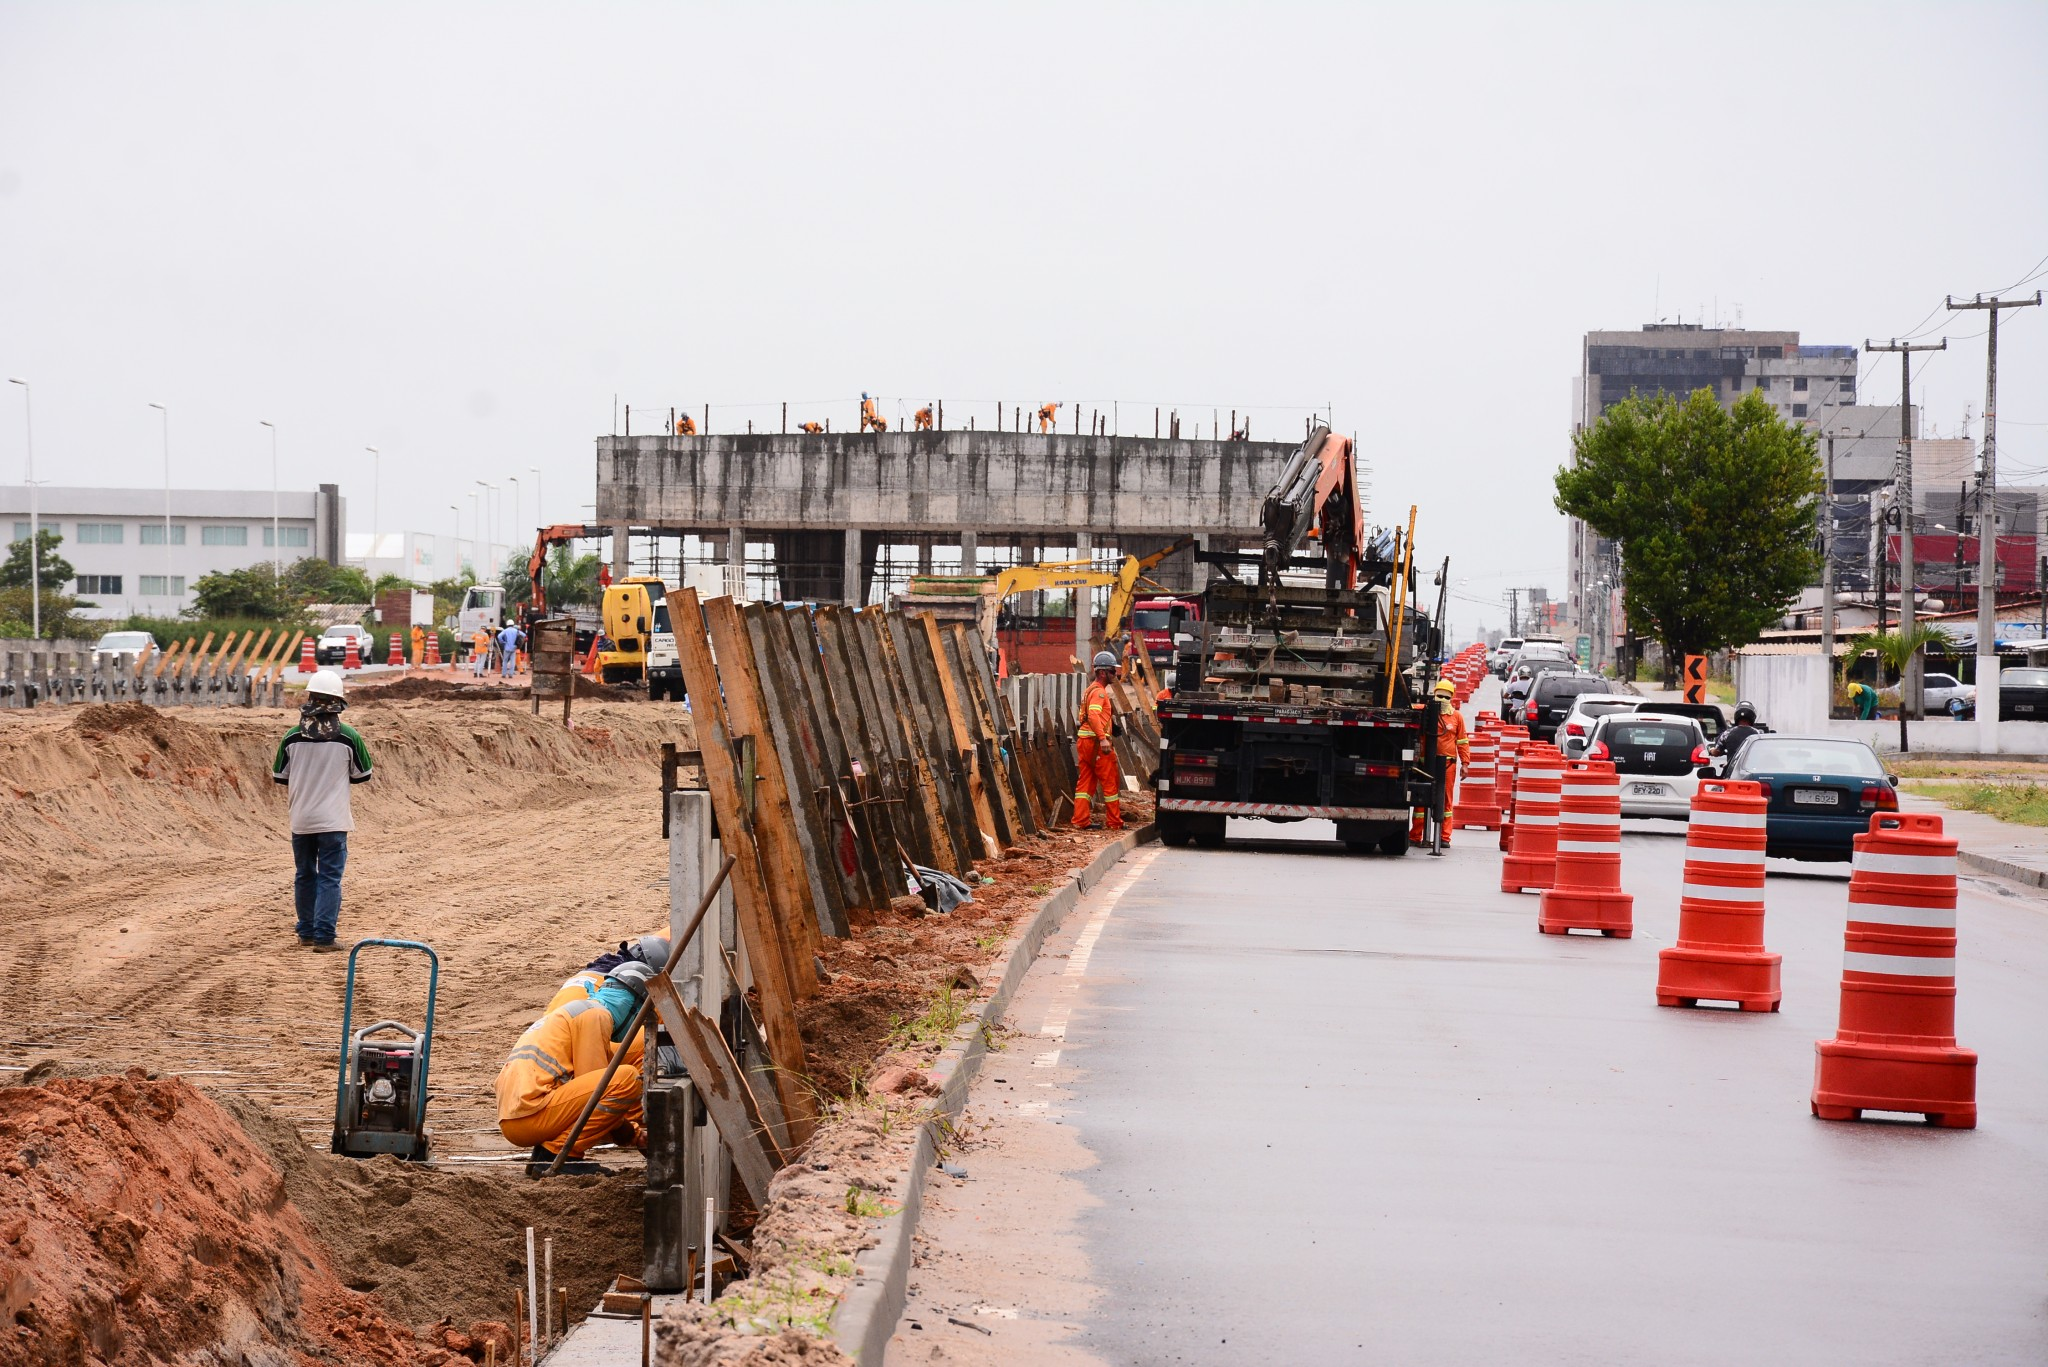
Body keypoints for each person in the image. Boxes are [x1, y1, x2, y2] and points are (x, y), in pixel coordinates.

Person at [496, 962, 649, 1163]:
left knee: (615, 1068)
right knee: (627, 1079)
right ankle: (563, 1154)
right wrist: (633, 1134)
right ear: (632, 1007)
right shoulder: (596, 1015)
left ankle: (545, 1154)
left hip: (515, 1117)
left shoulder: (576, 1011)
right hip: (530, 1117)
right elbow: (598, 1093)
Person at [271, 670, 373, 950]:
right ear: (338, 702)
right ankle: (324, 937)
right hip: (334, 821)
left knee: (304, 875)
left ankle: (306, 933)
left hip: (301, 820)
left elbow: (280, 776)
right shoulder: (349, 737)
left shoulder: (291, 737)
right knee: (329, 877)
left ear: (310, 699)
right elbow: (363, 774)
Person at [1411, 678, 1470, 846]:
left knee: (1446, 802)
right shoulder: (1426, 713)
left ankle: (1444, 837)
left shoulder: (1456, 717)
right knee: (1421, 801)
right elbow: (1410, 709)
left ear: (1451, 698)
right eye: (1439, 696)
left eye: (1446, 697)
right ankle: (1415, 835)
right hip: (1425, 766)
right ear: (1434, 695)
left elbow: (1463, 742)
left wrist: (1465, 764)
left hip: (1447, 766)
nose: (1442, 700)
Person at [1072, 650, 1124, 831]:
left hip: (1085, 742)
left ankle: (1080, 820)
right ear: (1102, 672)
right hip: (1096, 744)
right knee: (1110, 782)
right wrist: (1103, 739)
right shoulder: (1099, 693)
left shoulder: (1090, 690)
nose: (1114, 675)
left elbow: (1092, 716)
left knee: (1085, 782)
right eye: (1112, 671)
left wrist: (1110, 727)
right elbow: (1093, 715)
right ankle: (1114, 822)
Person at [1711, 700, 1763, 770]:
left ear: (1736, 716)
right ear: (1753, 717)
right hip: (1753, 770)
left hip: (1732, 771)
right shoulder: (1759, 734)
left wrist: (1711, 750)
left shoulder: (1727, 733)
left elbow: (1716, 752)